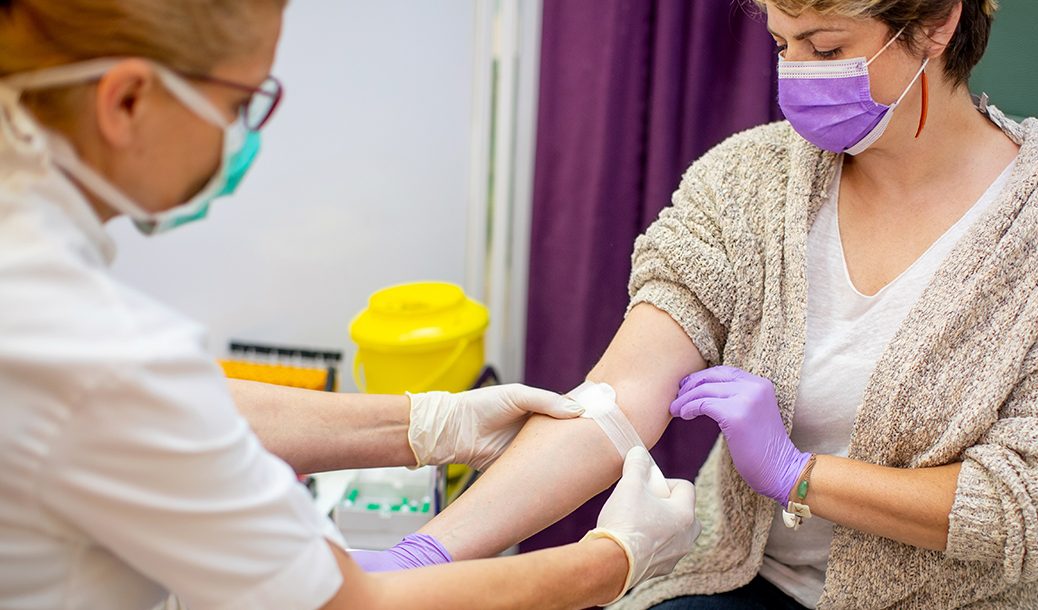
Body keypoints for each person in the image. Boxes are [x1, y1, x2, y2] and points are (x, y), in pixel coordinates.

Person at [390, 0, 1038, 609]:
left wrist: (800, 474)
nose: (795, 77)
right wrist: (426, 557)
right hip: (735, 576)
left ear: (936, 23)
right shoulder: (750, 179)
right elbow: (615, 401)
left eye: (825, 47)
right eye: (782, 45)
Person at [0, 1, 698, 609]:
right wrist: (611, 559)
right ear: (125, 101)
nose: (244, 138)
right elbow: (347, 606)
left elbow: (171, 406)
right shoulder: (92, 346)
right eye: (241, 104)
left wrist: (428, 422)